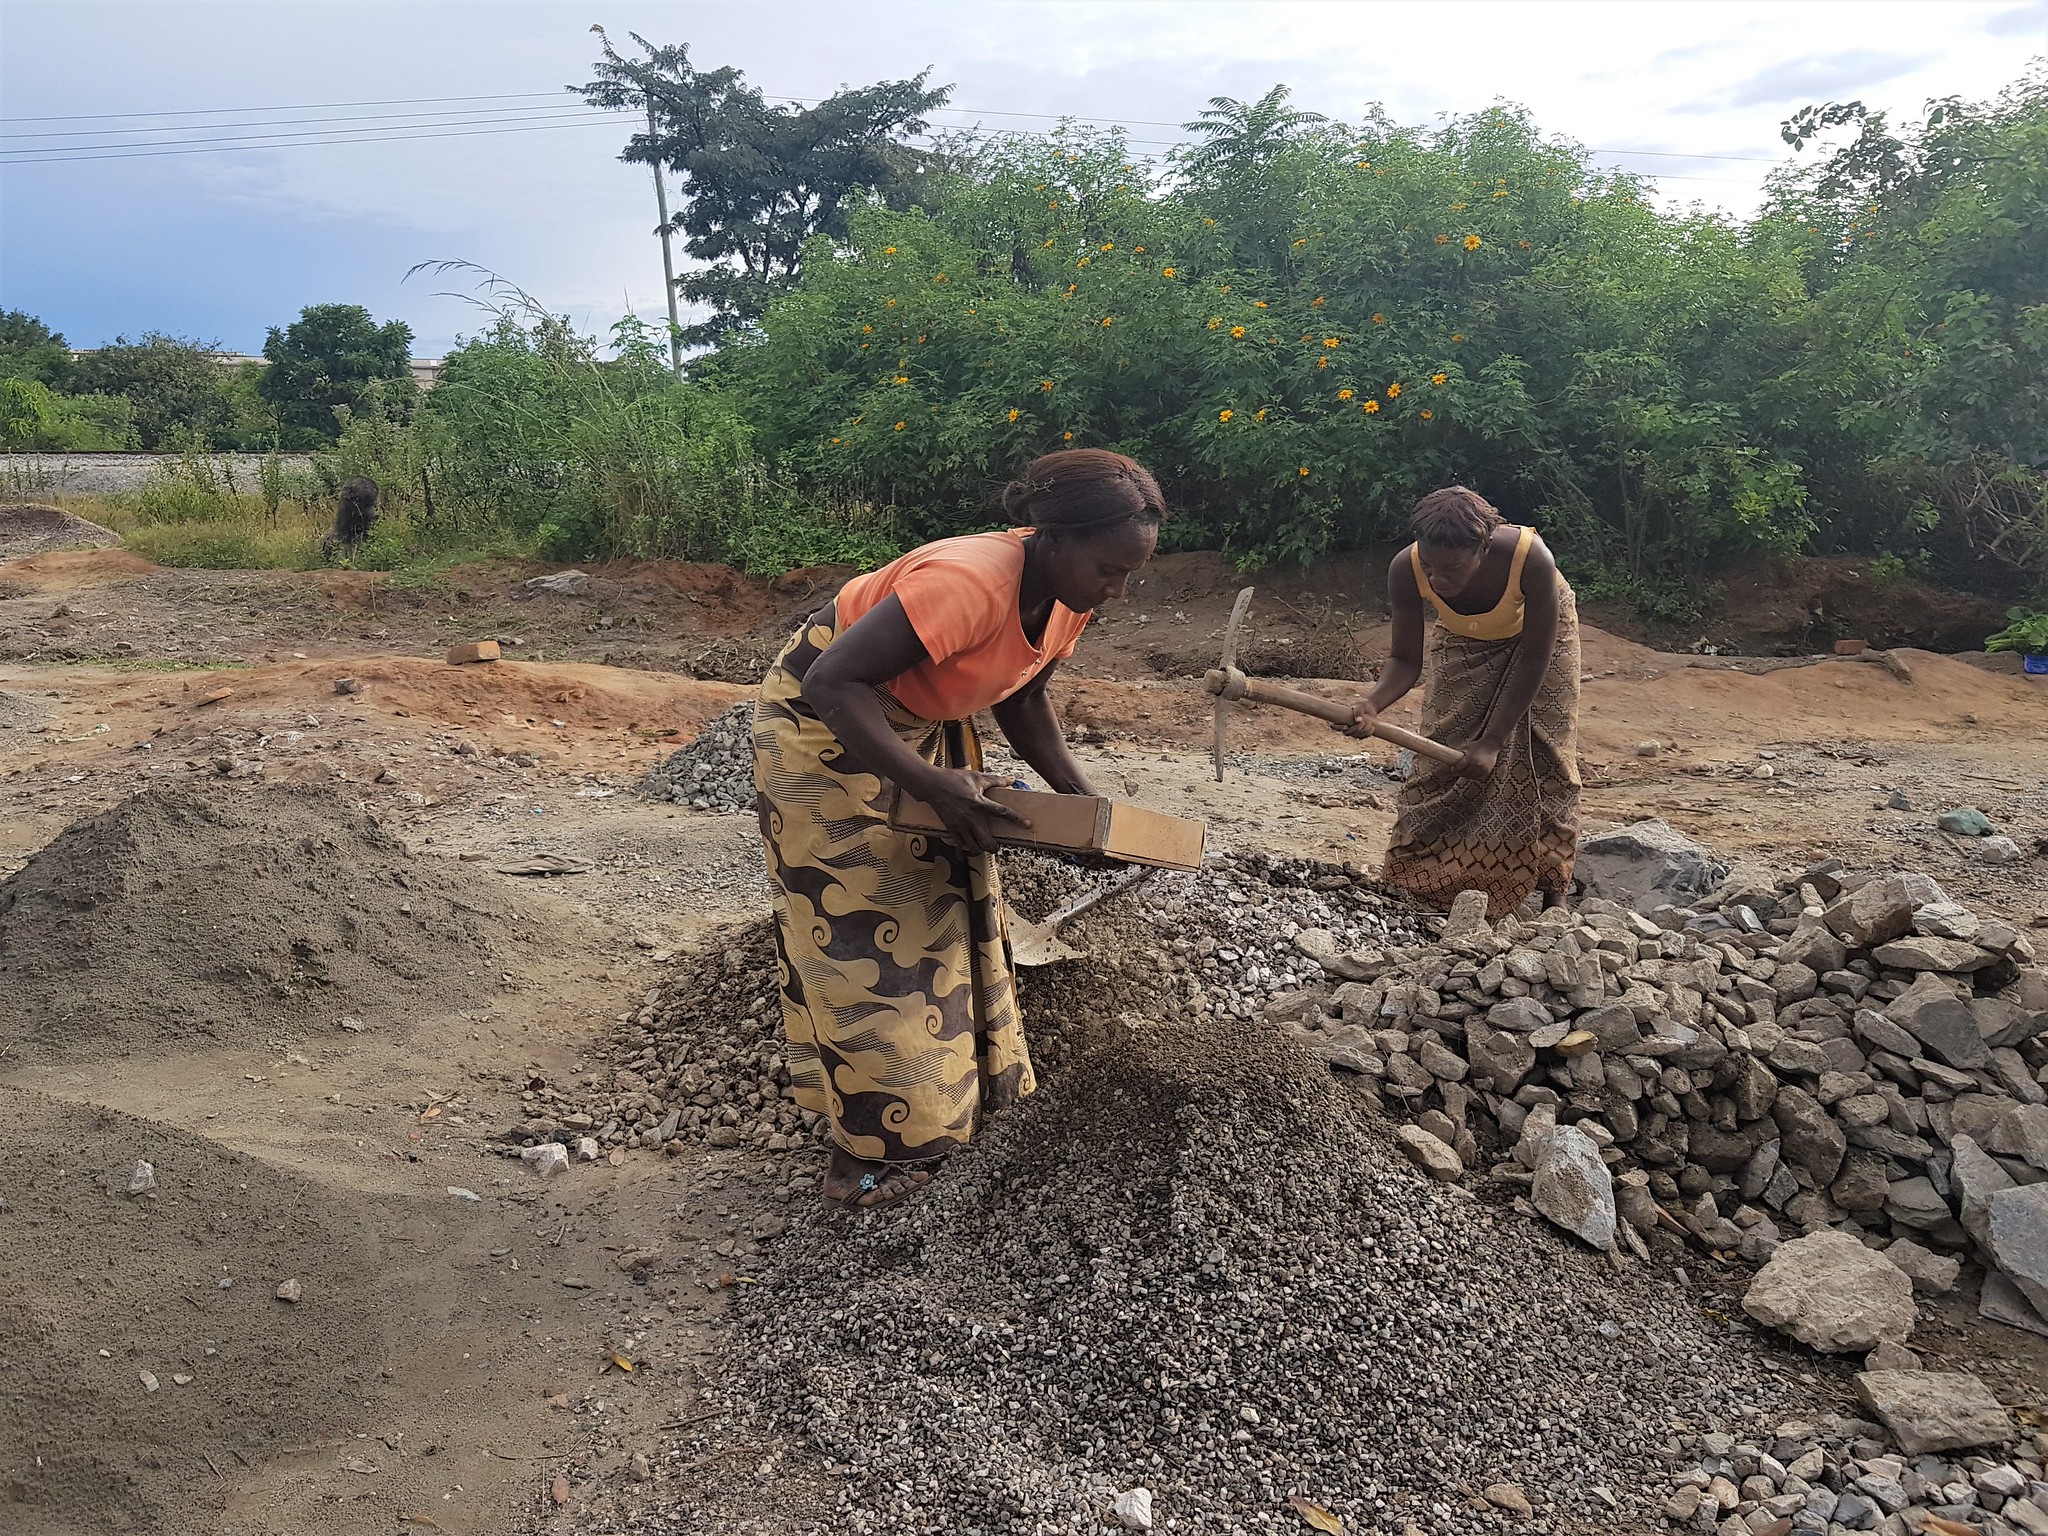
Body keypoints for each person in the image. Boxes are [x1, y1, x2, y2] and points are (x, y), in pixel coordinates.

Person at [752, 448, 1166, 1208]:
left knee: (946, 911)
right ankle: (859, 1159)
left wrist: (1085, 811)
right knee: (865, 939)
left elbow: (1023, 696)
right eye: (1109, 569)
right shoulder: (968, 581)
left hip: (917, 731)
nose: (1118, 589)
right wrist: (932, 785)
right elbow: (831, 681)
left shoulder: (1069, 595)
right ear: (1053, 538)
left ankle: (948, 1119)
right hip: (827, 732)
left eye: (1130, 573)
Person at [1341, 486, 1581, 917]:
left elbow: (1534, 657)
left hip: (1544, 640)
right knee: (1444, 753)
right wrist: (1373, 703)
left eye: (1451, 568)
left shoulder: (1532, 560)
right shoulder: (1406, 568)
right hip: (1465, 638)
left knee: (1546, 755)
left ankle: (1554, 896)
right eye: (1430, 565)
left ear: (1484, 547)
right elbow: (1404, 659)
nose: (1437, 579)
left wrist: (1491, 741)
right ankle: (1412, 881)